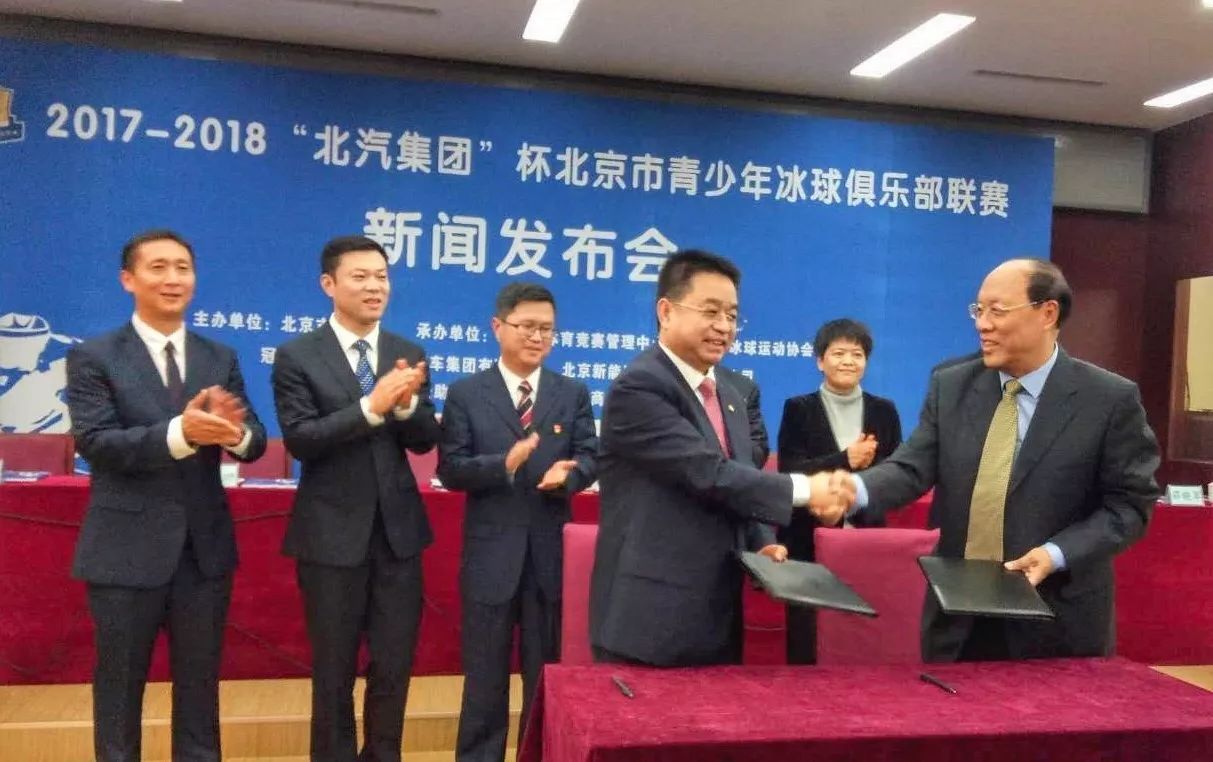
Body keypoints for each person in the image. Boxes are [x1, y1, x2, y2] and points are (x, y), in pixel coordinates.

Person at [831, 258, 1159, 662]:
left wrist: (1056, 554)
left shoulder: (1108, 399)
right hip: (959, 616)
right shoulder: (951, 384)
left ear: (1047, 313)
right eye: (978, 310)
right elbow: (911, 467)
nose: (982, 324)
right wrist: (855, 489)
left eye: (997, 311)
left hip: (1056, 619)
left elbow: (1129, 506)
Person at [589, 249, 850, 667]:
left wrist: (762, 543)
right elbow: (708, 473)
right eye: (711, 312)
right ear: (666, 311)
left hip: (716, 611)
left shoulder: (731, 393)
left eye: (732, 315)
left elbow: (738, 480)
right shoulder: (639, 387)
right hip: (650, 618)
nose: (724, 327)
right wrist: (808, 489)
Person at [66, 229, 267, 761]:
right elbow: (96, 442)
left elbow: (254, 440)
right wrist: (182, 433)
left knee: (200, 688)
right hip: (125, 550)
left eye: (183, 267)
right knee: (119, 689)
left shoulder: (218, 356)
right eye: (158, 267)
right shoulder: (94, 356)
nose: (173, 278)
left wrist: (233, 433)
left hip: (203, 551)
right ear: (128, 279)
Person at [271, 235, 440, 761]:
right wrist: (372, 406)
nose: (375, 287)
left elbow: (424, 440)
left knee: (393, 665)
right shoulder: (297, 355)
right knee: (334, 669)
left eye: (382, 277)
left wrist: (407, 407)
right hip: (330, 536)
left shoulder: (407, 353)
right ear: (329, 284)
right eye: (360, 277)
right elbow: (302, 439)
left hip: (398, 535)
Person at [438, 282, 598, 762]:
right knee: (484, 678)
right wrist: (503, 465)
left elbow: (591, 455)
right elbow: (451, 468)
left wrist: (571, 475)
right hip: (491, 557)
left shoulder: (571, 393)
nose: (537, 337)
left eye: (546, 329)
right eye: (527, 326)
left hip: (549, 556)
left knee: (545, 676)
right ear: (498, 327)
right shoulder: (467, 393)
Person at [775, 317, 902, 663]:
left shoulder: (884, 411)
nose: (848, 361)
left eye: (857, 354)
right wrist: (846, 458)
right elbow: (790, 471)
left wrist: (862, 477)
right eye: (839, 353)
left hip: (866, 535)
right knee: (806, 632)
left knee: (861, 631)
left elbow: (896, 473)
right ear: (820, 360)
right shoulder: (799, 408)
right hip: (807, 534)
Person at [717, 365, 770, 468]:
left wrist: (738, 474)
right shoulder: (681, 387)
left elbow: (758, 444)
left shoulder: (743, 387)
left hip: (737, 474)